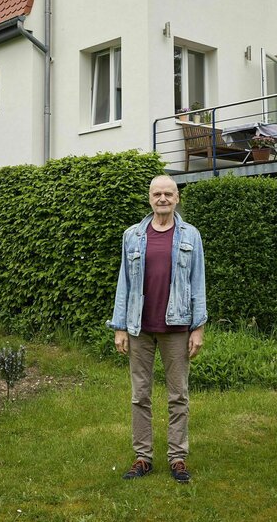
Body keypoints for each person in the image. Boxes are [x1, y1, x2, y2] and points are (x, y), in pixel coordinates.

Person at [107, 174, 207, 483]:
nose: (162, 198)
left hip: (177, 327)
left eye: (168, 193)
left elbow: (198, 283)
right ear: (149, 198)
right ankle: (143, 457)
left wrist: (198, 327)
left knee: (178, 395)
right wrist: (120, 326)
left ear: (177, 198)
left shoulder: (191, 236)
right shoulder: (133, 235)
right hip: (139, 327)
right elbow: (124, 282)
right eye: (157, 194)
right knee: (141, 395)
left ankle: (177, 458)